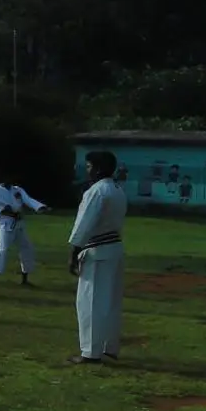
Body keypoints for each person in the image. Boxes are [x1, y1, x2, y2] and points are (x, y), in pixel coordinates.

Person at [68, 151, 129, 364]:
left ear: (98, 168)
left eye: (88, 166)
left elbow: (84, 223)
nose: (87, 170)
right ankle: (109, 347)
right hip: (114, 248)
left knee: (90, 301)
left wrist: (74, 251)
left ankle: (90, 352)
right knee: (110, 301)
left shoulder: (96, 191)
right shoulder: (117, 190)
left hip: (97, 250)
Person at [0, 176, 49, 286]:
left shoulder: (17, 190)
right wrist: (2, 211)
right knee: (2, 250)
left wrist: (39, 207)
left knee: (26, 248)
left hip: (19, 224)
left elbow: (28, 200)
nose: (9, 180)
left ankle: (25, 279)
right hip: (5, 224)